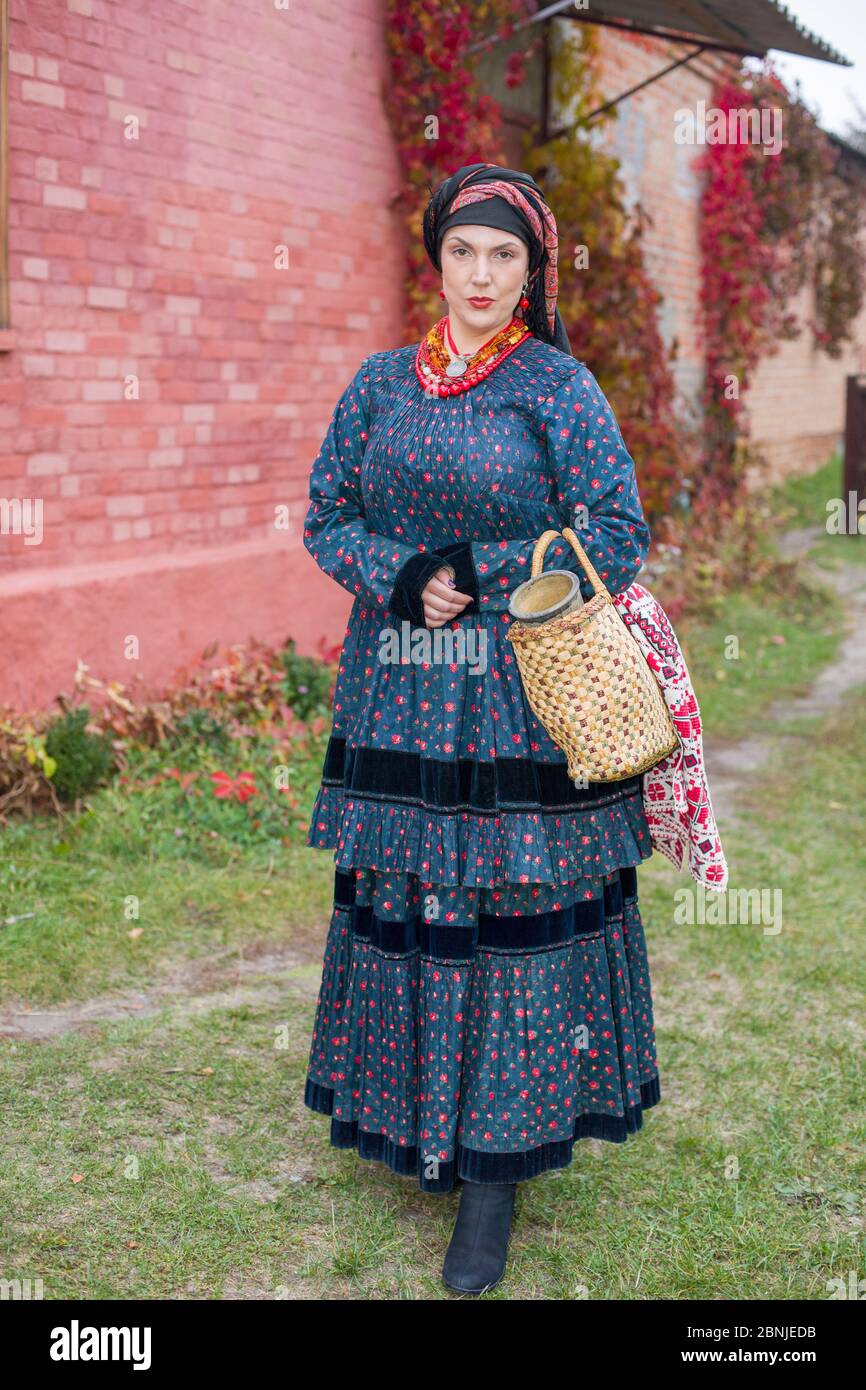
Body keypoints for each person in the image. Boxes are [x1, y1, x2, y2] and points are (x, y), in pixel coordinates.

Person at [301, 162, 661, 1295]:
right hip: (399, 689)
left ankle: (495, 1178)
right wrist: (397, 572)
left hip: (517, 697)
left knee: (510, 911)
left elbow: (617, 529)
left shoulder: (556, 387)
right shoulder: (375, 386)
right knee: (412, 902)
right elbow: (325, 514)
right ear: (436, 258)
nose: (481, 273)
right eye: (463, 250)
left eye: (504, 255)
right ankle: (424, 1129)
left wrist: (482, 570)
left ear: (531, 270)